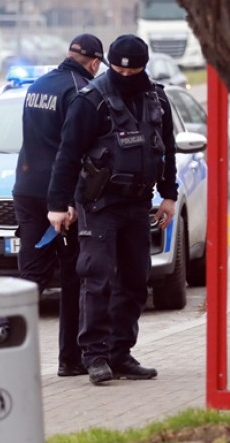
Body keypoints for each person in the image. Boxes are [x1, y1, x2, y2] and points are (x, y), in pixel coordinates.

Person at [46, 34, 178, 385]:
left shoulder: (156, 99)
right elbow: (68, 154)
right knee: (97, 277)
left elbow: (166, 148)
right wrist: (58, 205)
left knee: (135, 280)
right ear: (109, 64)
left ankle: (121, 353)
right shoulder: (91, 100)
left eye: (131, 69)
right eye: (117, 67)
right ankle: (95, 356)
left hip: (138, 202)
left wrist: (169, 194)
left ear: (143, 67)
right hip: (98, 203)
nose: (124, 73)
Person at [0, 34, 104, 378]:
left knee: (33, 273)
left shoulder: (38, 84)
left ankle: (6, 326)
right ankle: (70, 359)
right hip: (58, 195)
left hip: (25, 189)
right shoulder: (79, 90)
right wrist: (67, 200)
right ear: (95, 63)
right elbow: (70, 150)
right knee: (73, 278)